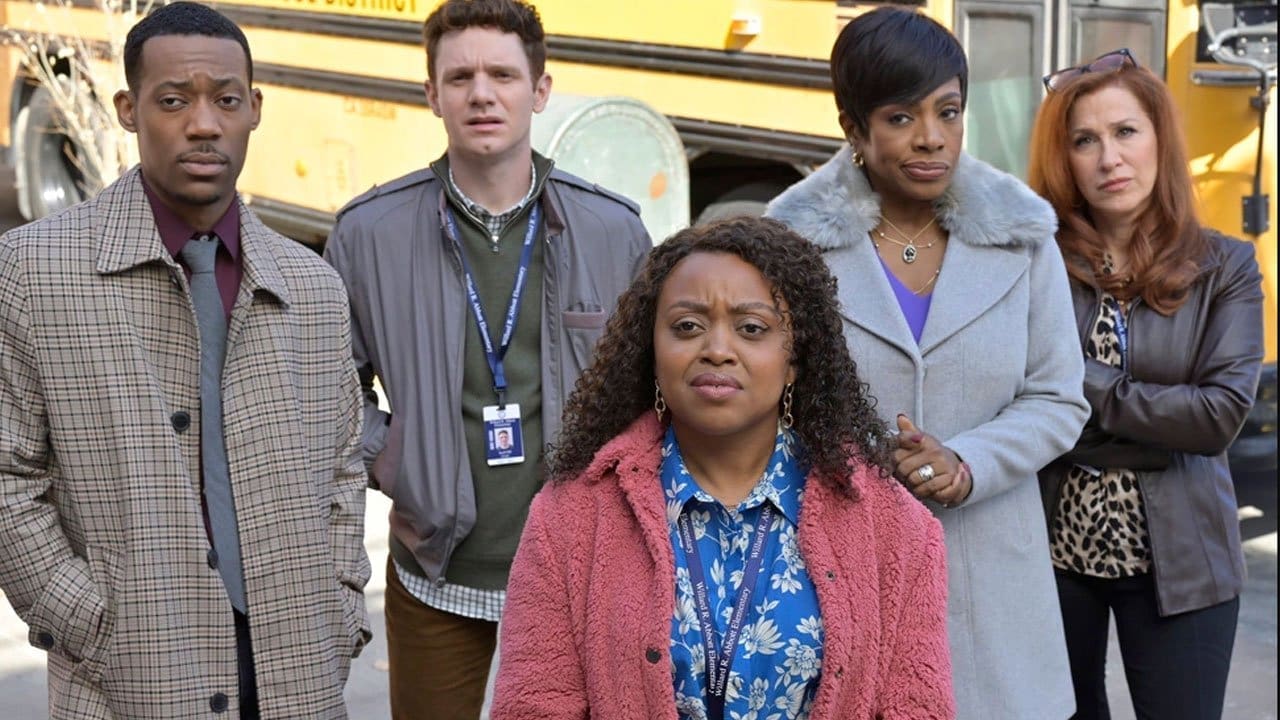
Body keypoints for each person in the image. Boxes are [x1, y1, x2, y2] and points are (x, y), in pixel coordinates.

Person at [0, 3, 371, 718]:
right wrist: (90, 623)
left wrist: (339, 607)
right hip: (127, 678)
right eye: (174, 101)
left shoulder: (312, 286)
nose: (204, 124)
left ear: (254, 108)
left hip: (295, 672)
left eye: (226, 100)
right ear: (128, 108)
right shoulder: (33, 270)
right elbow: (8, 478)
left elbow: (342, 468)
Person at [323, 0, 651, 716]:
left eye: (502, 74)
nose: (481, 93)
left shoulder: (611, 230)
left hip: (584, 573)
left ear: (538, 90)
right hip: (436, 571)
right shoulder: (368, 233)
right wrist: (397, 459)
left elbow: (653, 392)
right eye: (460, 75)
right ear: (431, 93)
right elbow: (327, 393)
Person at [491, 216, 954, 719]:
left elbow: (919, 707)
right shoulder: (570, 518)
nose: (716, 349)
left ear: (795, 357)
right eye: (686, 327)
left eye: (751, 328)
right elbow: (533, 706)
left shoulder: (895, 528)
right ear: (652, 349)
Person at [766, 8, 1090, 719]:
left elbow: (1059, 399)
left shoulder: (1024, 235)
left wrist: (966, 461)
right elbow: (764, 408)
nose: (932, 137)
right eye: (900, 117)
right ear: (854, 126)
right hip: (838, 574)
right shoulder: (785, 244)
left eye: (948, 111)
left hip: (994, 594)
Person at [1027, 49, 1264, 720]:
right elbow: (1018, 401)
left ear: (1159, 136)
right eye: (1085, 140)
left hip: (1186, 564)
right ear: (1064, 159)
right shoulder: (1036, 264)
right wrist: (1155, 430)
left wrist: (1079, 383)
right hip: (1050, 558)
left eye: (1126, 131)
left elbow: (1217, 418)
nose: (1109, 158)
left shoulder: (1227, 267)